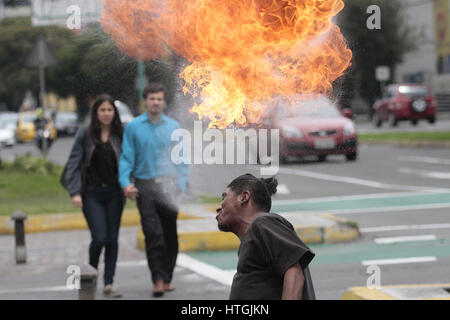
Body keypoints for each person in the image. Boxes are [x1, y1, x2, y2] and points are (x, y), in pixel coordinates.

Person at [119, 83, 189, 298]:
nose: (155, 102)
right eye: (152, 98)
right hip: (145, 186)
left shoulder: (174, 127)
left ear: (164, 101)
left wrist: (181, 185)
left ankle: (167, 277)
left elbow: (182, 161)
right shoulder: (133, 127)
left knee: (170, 234)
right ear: (145, 101)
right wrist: (125, 183)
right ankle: (157, 279)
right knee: (153, 233)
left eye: (159, 98)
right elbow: (126, 158)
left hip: (170, 185)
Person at [216, 173, 316, 300]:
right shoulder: (254, 238)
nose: (218, 207)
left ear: (244, 197)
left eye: (224, 197)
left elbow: (294, 274)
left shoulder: (263, 222)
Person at [64, 94, 125, 298]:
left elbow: (128, 161)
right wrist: (74, 192)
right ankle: (90, 273)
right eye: (102, 110)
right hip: (91, 193)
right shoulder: (85, 134)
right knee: (99, 237)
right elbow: (74, 162)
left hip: (115, 193)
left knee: (113, 239)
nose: (107, 114)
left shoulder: (120, 133)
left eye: (110, 110)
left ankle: (108, 283)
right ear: (96, 112)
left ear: (114, 112)